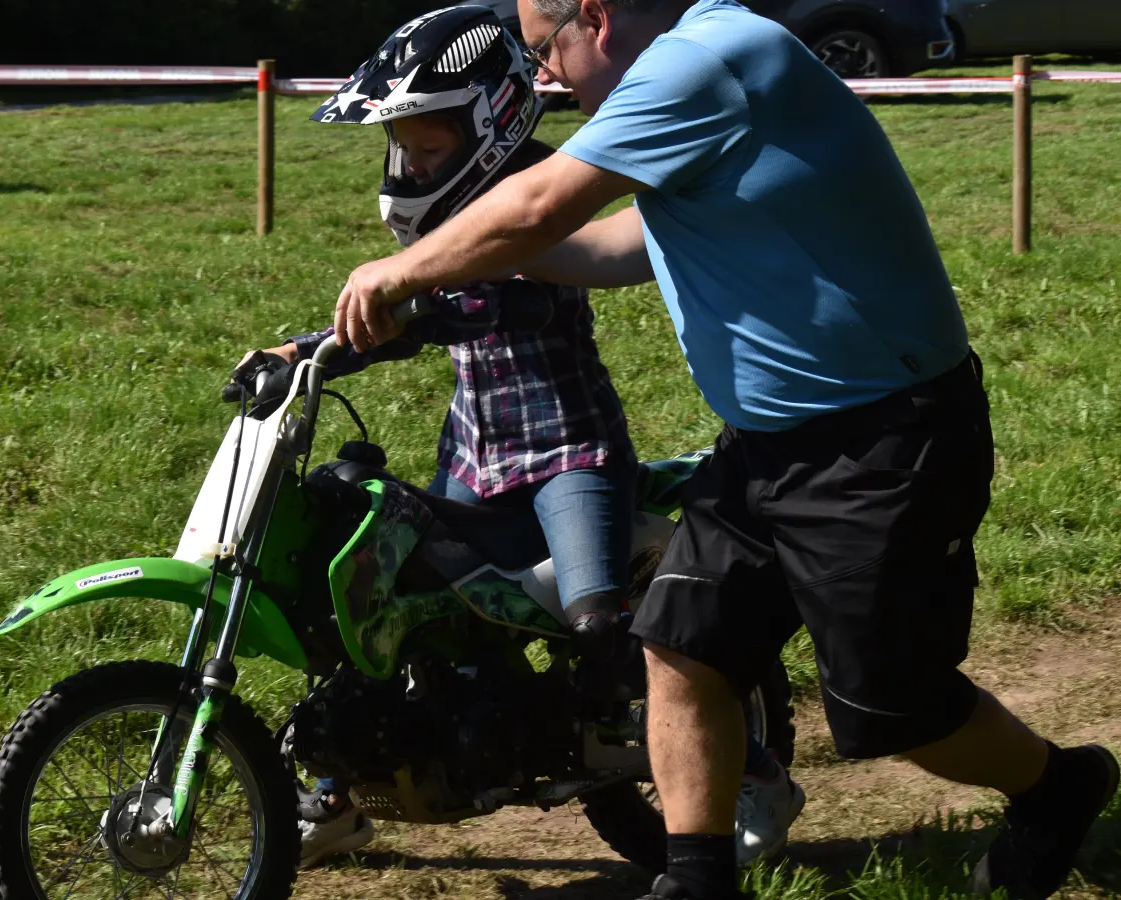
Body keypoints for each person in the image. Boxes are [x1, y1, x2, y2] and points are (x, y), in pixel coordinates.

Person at [326, 1, 1119, 899]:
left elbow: (547, 202)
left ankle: (1060, 786)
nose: (545, 77)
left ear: (595, 13)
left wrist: (399, 269)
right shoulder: (704, 73)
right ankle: (695, 881)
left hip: (882, 438)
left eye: (546, 49)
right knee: (679, 645)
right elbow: (611, 243)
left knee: (894, 709)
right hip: (766, 446)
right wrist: (473, 257)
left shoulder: (704, 59)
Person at [239, 5, 801, 870]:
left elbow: (478, 296)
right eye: (406, 152)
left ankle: (755, 772)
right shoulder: (442, 218)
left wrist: (406, 319)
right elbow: (404, 307)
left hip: (570, 454)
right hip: (474, 452)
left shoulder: (536, 195)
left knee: (600, 625)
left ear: (487, 124)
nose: (413, 167)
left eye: (429, 149)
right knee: (393, 613)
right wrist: (301, 353)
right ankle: (333, 794)